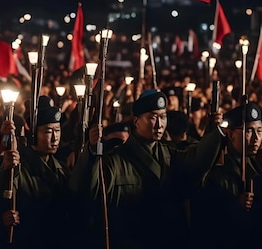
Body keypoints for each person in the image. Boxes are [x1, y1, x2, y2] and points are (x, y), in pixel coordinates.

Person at [71, 89, 224, 248]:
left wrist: (214, 133)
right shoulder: (116, 160)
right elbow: (88, 191)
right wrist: (92, 151)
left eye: (163, 117)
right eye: (153, 117)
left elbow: (195, 162)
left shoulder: (169, 155)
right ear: (136, 121)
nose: (160, 124)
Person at [0, 96, 73, 248]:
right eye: (48, 131)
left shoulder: (61, 168)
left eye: (58, 130)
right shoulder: (17, 165)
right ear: (34, 134)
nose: (55, 138)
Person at [192, 102, 262, 247]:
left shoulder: (257, 163)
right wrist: (234, 205)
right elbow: (205, 213)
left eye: (259, 131)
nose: (256, 138)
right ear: (230, 134)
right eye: (248, 131)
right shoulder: (217, 165)